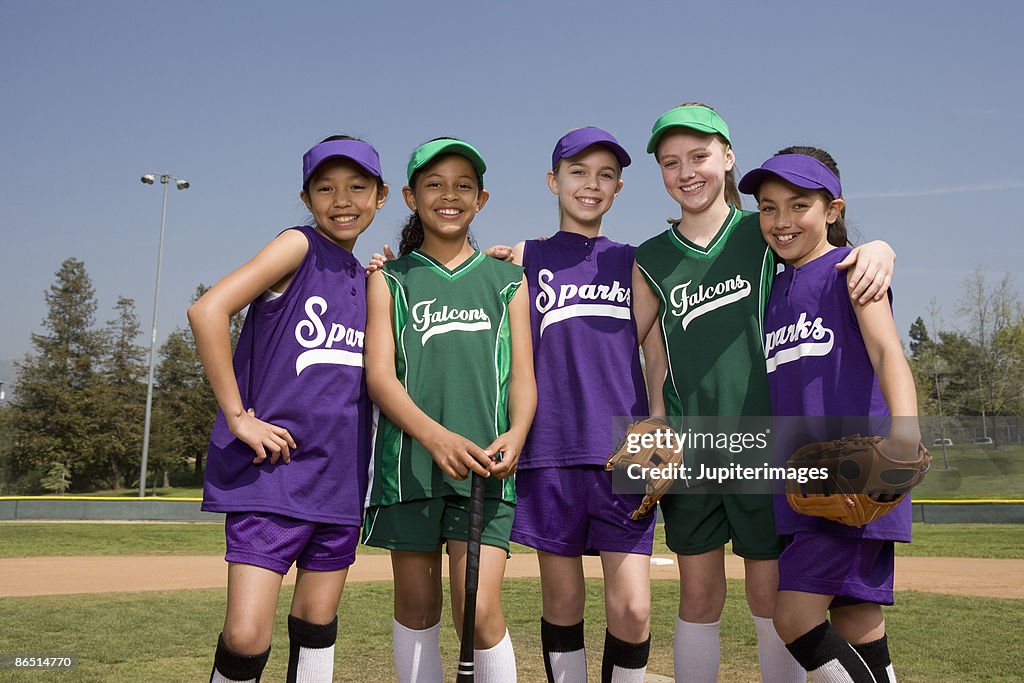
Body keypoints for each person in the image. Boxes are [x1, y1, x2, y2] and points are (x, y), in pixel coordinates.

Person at [631, 104, 896, 683]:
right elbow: (649, 348)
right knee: (697, 595)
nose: (687, 171)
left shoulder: (763, 229)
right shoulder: (649, 257)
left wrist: (880, 247)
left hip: (769, 448)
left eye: (699, 156)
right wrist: (654, 421)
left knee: (769, 594)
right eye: (671, 162)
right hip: (692, 447)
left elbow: (833, 251)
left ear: (728, 157)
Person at [190, 136, 389, 683]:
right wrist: (237, 416)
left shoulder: (371, 279)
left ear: (382, 197)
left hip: (341, 479)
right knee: (247, 635)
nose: (342, 200)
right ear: (306, 199)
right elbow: (208, 310)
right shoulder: (298, 245)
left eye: (357, 187)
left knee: (316, 626)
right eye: (326, 188)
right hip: (273, 477)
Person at [740, 147, 922, 683]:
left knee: (793, 617)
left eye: (799, 205)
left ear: (832, 209)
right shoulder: (773, 290)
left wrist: (904, 437)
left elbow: (889, 351)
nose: (782, 221)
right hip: (805, 478)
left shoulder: (850, 270)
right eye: (768, 208)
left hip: (858, 473)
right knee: (856, 616)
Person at [362, 137, 536, 683]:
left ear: (481, 199)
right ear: (411, 197)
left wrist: (519, 431)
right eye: (434, 185)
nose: (449, 196)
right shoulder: (389, 278)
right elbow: (380, 378)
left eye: (464, 185)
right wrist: (435, 438)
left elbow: (523, 379)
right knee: (416, 608)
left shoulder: (508, 279)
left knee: (478, 612)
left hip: (487, 466)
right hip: (410, 467)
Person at [505, 127, 654, 683]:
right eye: (578, 172)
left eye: (605, 175)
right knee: (563, 603)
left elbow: (654, 356)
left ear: (617, 188)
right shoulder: (525, 258)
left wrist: (658, 422)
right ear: (553, 181)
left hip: (626, 448)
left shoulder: (634, 261)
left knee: (634, 609)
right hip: (551, 448)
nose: (591, 184)